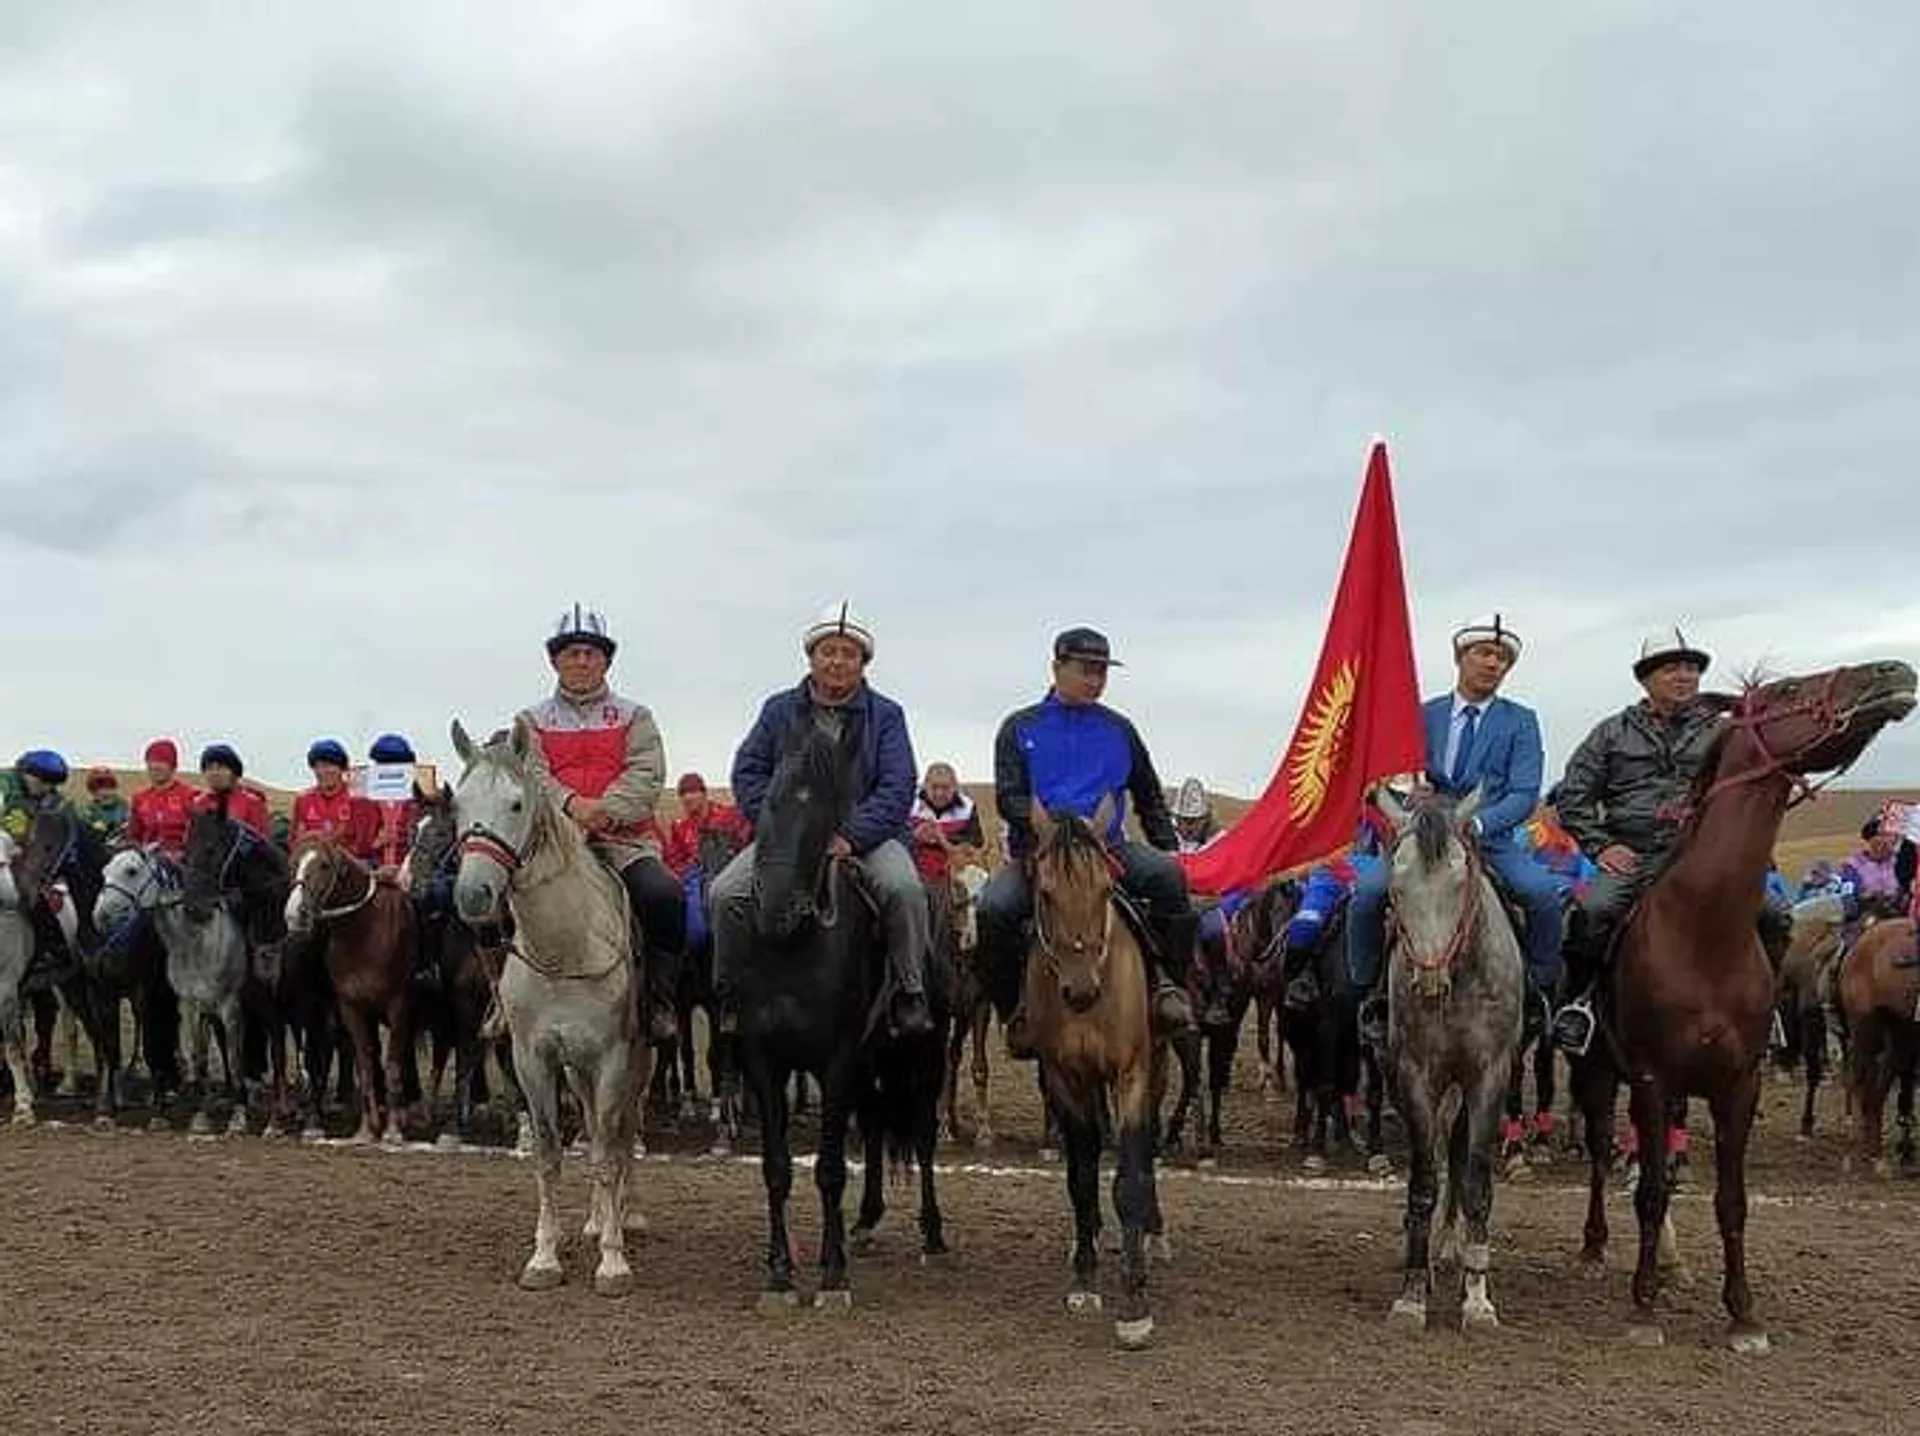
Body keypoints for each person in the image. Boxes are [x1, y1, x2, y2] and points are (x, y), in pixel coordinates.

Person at [1550, 628, 1794, 1054]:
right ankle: (1580, 1004)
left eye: (1692, 668)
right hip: (1636, 854)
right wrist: (1602, 846)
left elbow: (1751, 787)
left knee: (1774, 914)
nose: (1685, 676)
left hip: (1707, 856)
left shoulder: (1726, 732)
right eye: (1672, 669)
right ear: (1646, 679)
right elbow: (1574, 797)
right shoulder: (1610, 733)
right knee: (1593, 911)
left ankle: (1764, 1007)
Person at [709, 601, 933, 1038]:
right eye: (828, 651)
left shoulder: (886, 715)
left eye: (849, 653)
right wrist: (781, 828)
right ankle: (730, 992)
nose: (837, 661)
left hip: (865, 837)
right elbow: (749, 771)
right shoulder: (778, 710)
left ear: (863, 663)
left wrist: (851, 835)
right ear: (811, 656)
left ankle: (910, 989)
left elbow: (898, 784)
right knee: (724, 894)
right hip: (787, 841)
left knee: (904, 889)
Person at [975, 625, 1197, 1057]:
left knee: (1168, 878)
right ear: (1057, 668)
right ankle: (1015, 1010)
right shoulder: (1019, 727)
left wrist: (1168, 846)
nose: (1095, 680)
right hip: (1042, 853)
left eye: (1102, 672)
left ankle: (1170, 986)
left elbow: (1148, 795)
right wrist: (1057, 825)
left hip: (1107, 850)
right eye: (1086, 670)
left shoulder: (1120, 729)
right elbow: (1009, 796)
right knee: (994, 909)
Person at [1346, 616, 1564, 1047]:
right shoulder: (1420, 714)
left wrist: (1478, 823)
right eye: (1484, 653)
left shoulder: (1521, 721)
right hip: (1421, 835)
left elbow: (1524, 793)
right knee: (1367, 895)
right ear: (1460, 658)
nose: (1493, 664)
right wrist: (1406, 792)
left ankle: (1537, 996)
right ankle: (1370, 996)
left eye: (1502, 659)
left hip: (1488, 836)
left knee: (1541, 894)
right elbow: (1392, 776)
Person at [516, 603, 686, 1043]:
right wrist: (571, 805)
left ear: (606, 661)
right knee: (492, 897)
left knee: (665, 896)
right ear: (554, 661)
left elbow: (647, 773)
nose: (581, 661)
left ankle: (659, 1000)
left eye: (591, 653)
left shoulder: (635, 716)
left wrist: (605, 810)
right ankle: (502, 1000)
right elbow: (531, 775)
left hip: (624, 843)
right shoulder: (530, 721)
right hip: (555, 846)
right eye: (571, 653)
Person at [191, 743, 284, 950]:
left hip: (244, 881)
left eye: (221, 767)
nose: (215, 773)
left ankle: (262, 952)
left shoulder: (251, 803)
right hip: (207, 876)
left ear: (234, 772)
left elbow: (263, 844)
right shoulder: (199, 804)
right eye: (209, 768)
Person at [662, 772, 753, 966]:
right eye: (683, 793)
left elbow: (745, 842)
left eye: (693, 791)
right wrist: (691, 868)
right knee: (696, 932)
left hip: (727, 870)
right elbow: (673, 861)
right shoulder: (680, 827)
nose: (688, 797)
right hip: (695, 876)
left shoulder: (729, 816)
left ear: (704, 793)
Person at [290, 739, 382, 860]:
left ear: (341, 768)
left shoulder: (358, 799)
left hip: (350, 863)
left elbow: (366, 843)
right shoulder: (304, 800)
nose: (322, 771)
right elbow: (295, 841)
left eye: (328, 766)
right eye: (317, 766)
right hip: (315, 864)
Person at [908, 761, 985, 886]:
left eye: (945, 788)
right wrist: (915, 835)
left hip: (954, 865)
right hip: (914, 864)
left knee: (979, 879)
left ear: (955, 787)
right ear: (925, 785)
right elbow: (895, 835)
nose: (939, 793)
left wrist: (943, 839)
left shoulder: (967, 807)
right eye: (934, 787)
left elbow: (977, 840)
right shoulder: (910, 803)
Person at [128, 738, 198, 859]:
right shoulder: (140, 798)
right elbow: (134, 836)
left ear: (173, 766)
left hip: (182, 860)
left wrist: (182, 853)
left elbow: (199, 836)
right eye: (151, 762)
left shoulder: (191, 796)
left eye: (161, 762)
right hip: (148, 860)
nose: (155, 766)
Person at [364, 733, 420, 875]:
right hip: (372, 876)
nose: (390, 768)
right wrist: (375, 844)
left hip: (411, 875)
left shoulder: (418, 802)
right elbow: (353, 847)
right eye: (384, 763)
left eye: (397, 763)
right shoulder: (363, 801)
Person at [80, 768, 130, 845]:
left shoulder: (125, 806)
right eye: (99, 788)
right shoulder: (88, 810)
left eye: (109, 787)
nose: (105, 792)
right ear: (92, 792)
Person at [1171, 777, 1220, 854]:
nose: (1190, 827)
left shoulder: (1218, 841)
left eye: (1193, 821)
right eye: (1185, 820)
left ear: (1206, 819)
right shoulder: (1168, 837)